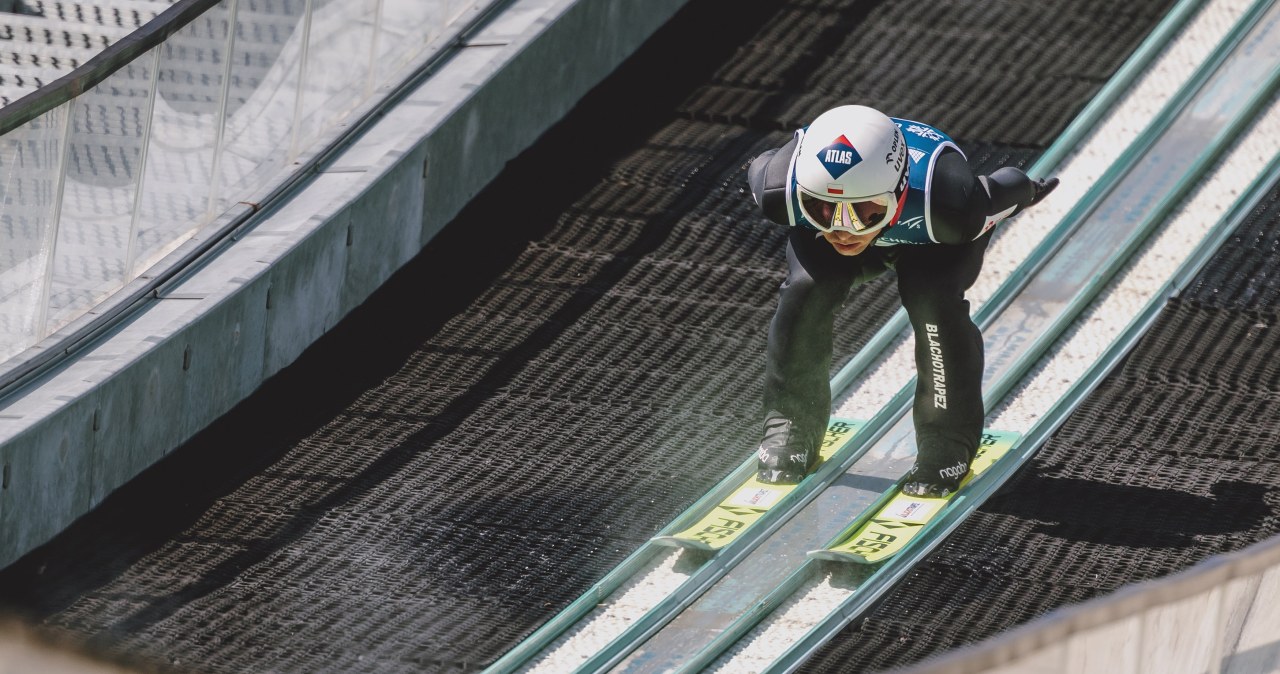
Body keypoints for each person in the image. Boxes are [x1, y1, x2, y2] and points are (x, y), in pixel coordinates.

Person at [745, 105, 1057, 496]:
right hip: (891, 223)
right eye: (823, 208)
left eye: (864, 211)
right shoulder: (778, 188)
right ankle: (789, 427)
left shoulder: (952, 204)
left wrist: (1032, 189)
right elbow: (758, 171)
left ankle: (946, 445)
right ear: (801, 193)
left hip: (931, 240)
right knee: (807, 290)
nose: (844, 229)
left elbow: (1009, 187)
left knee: (932, 299)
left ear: (899, 190)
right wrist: (848, 217)